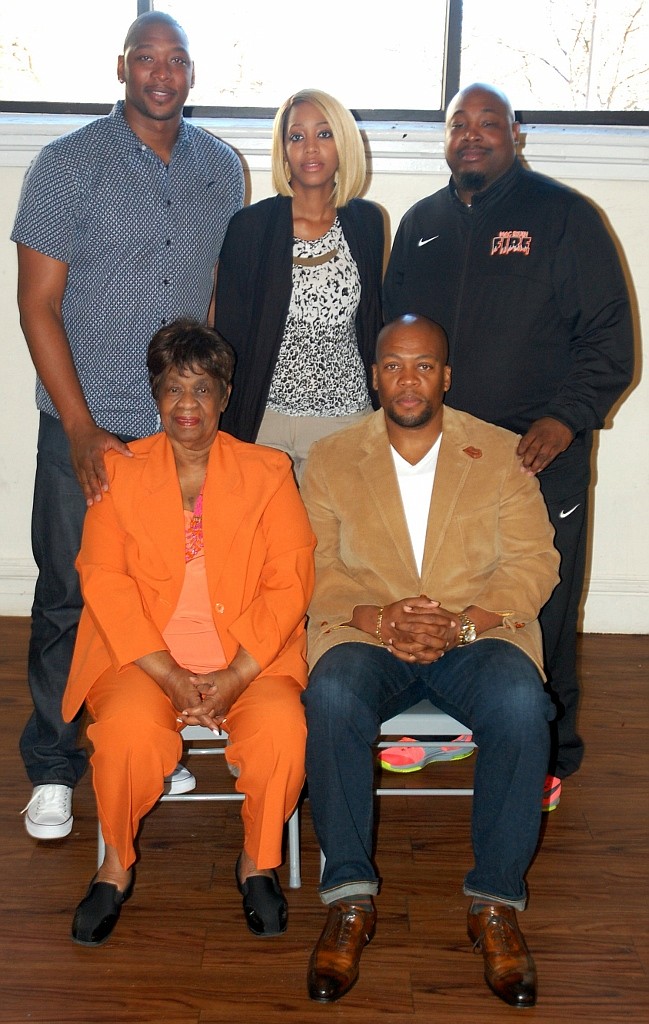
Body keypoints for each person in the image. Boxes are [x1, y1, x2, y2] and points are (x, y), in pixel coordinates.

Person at [11, 11, 244, 839]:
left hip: (174, 431)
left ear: (190, 73)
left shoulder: (223, 168)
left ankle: (147, 743)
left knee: (163, 599)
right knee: (70, 595)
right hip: (88, 423)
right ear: (121, 69)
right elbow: (35, 304)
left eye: (174, 60)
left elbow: (214, 296)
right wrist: (77, 426)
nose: (160, 73)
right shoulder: (67, 165)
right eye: (146, 58)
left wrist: (208, 416)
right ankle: (51, 765)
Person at [383, 83, 634, 801]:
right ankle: (447, 723)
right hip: (438, 460)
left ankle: (550, 749)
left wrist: (563, 418)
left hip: (535, 457)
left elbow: (608, 342)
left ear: (515, 135)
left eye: (487, 123)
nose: (471, 134)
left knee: (538, 603)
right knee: (437, 588)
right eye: (458, 123)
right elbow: (395, 341)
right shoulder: (421, 223)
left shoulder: (563, 217)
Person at [301, 314, 559, 1007]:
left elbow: (534, 564)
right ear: (374, 373)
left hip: (472, 636)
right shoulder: (328, 458)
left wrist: (460, 626)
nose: (406, 380)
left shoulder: (501, 453)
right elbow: (313, 565)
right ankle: (349, 898)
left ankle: (495, 903)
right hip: (368, 633)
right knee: (328, 695)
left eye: (422, 366)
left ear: (446, 376)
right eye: (392, 365)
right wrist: (375, 618)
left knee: (519, 703)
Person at [63, 319, 315, 946]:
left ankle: (258, 861)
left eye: (203, 389)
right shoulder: (117, 471)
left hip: (249, 660)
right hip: (144, 661)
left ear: (225, 397)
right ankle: (115, 864)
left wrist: (234, 675)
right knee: (123, 736)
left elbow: (291, 579)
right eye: (174, 388)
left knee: (284, 732)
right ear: (155, 395)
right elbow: (103, 578)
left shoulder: (269, 470)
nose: (187, 405)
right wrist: (170, 674)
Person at [215, 88, 383, 480]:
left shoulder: (367, 224)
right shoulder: (249, 227)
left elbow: (374, 320)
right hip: (265, 421)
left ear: (343, 144)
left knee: (333, 543)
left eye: (324, 134)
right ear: (283, 149)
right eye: (297, 136)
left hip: (344, 422)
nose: (311, 148)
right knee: (265, 541)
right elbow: (229, 333)